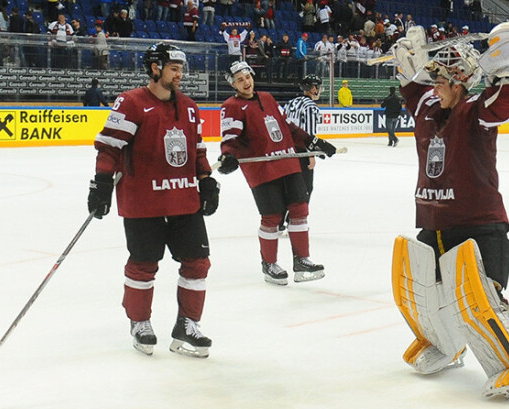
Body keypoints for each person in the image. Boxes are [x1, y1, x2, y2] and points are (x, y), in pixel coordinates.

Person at [390, 22, 509, 398]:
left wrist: (505, 65)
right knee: (421, 293)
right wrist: (407, 65)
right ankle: (445, 343)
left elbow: (505, 101)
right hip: (434, 222)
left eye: (441, 81)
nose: (434, 88)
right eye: (432, 81)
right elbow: (413, 90)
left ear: (459, 83)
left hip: (479, 224)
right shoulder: (430, 105)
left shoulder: (475, 111)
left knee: (483, 299)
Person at [87, 43, 219, 358]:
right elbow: (109, 148)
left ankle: (187, 323)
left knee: (198, 263)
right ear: (155, 68)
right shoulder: (131, 103)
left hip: (183, 200)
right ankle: (140, 321)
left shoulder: (188, 106)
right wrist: (102, 183)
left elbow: (197, 150)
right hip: (143, 202)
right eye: (174, 69)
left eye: (181, 70)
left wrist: (207, 180)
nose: (179, 76)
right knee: (144, 265)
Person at [217, 61, 336, 285]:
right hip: (261, 169)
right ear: (233, 84)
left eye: (247, 76)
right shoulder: (231, 106)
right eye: (239, 79)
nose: (246, 82)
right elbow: (230, 139)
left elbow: (289, 127)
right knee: (272, 217)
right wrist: (228, 155)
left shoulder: (267, 98)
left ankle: (302, 260)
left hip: (288, 162)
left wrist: (313, 142)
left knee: (300, 209)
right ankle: (269, 264)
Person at [279, 74, 324, 231]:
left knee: (289, 186)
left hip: (287, 150)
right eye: (318, 87)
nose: (320, 90)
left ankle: (280, 222)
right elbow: (309, 134)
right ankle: (296, 221)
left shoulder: (292, 102)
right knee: (305, 188)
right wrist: (310, 155)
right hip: (301, 151)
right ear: (313, 88)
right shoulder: (311, 107)